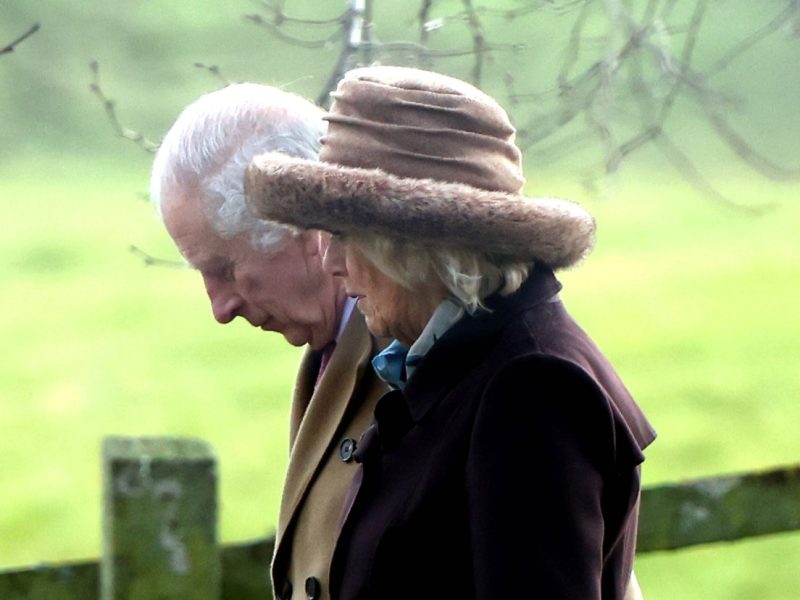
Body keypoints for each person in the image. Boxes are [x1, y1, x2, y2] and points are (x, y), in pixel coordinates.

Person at [245, 66, 656, 599]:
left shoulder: (531, 388)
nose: (332, 263)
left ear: (417, 247)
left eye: (346, 234)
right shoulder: (452, 363)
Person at [149, 83, 388, 600]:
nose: (221, 308)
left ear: (303, 231)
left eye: (224, 269)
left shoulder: (416, 357)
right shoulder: (332, 348)